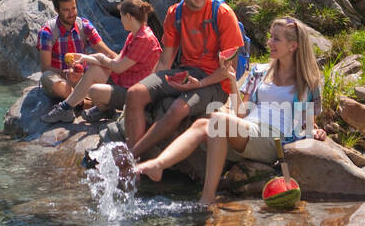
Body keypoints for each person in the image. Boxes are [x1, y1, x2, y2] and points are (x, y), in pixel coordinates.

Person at [135, 16, 327, 205]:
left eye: (276, 38)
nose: (269, 42)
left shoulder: (307, 82)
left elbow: (306, 121)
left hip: (273, 138)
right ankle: (160, 166)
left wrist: (314, 130)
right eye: (270, 36)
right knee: (204, 123)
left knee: (217, 120)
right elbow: (241, 112)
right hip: (246, 130)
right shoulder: (259, 72)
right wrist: (232, 81)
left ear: (293, 46)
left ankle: (206, 197)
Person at [125, 0, 245, 159]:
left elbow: (228, 70)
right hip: (187, 73)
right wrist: (150, 87)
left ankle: (131, 158)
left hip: (216, 81)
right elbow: (165, 61)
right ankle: (136, 154)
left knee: (177, 108)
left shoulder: (222, 13)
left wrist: (201, 84)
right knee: (135, 93)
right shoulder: (175, 14)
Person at [45, 0, 161, 124]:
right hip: (125, 83)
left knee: (93, 90)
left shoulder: (144, 39)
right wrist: (84, 58)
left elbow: (118, 67)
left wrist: (99, 57)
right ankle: (66, 108)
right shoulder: (134, 35)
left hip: (135, 93)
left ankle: (104, 110)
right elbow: (116, 61)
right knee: (94, 70)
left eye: (121, 16)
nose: (120, 19)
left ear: (128, 16)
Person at [37, 0, 115, 102]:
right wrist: (66, 74)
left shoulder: (84, 26)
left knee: (105, 65)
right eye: (66, 10)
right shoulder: (47, 32)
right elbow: (45, 67)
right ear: (57, 10)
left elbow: (107, 53)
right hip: (62, 80)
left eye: (73, 8)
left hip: (84, 78)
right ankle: (84, 102)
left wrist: (126, 65)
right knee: (46, 78)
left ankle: (78, 100)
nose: (71, 13)